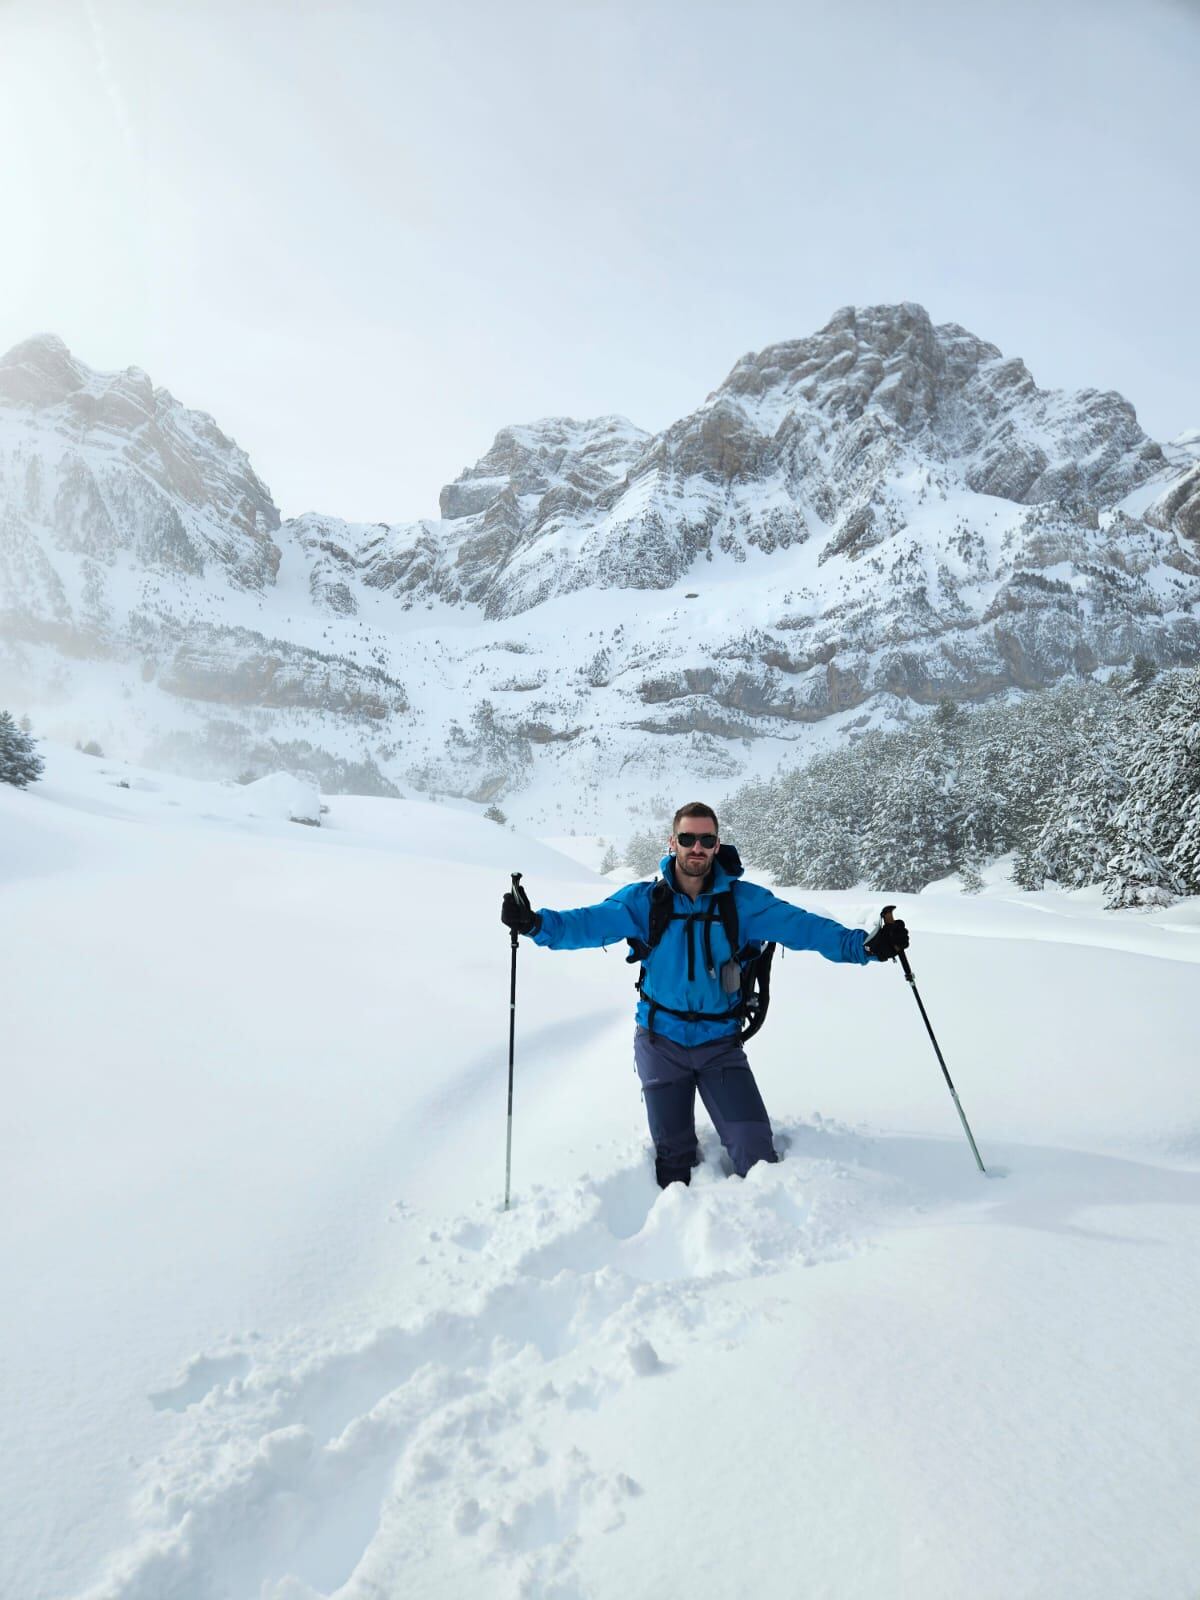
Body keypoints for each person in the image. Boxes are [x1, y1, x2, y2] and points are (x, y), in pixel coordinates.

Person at [501, 801, 908, 1189]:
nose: (697, 848)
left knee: (756, 1154)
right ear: (672, 842)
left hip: (720, 1045)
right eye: (688, 838)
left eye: (706, 840)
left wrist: (865, 947)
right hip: (660, 1043)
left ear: (718, 844)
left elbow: (805, 928)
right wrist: (536, 924)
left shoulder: (744, 902)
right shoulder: (644, 902)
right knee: (673, 1160)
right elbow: (587, 924)